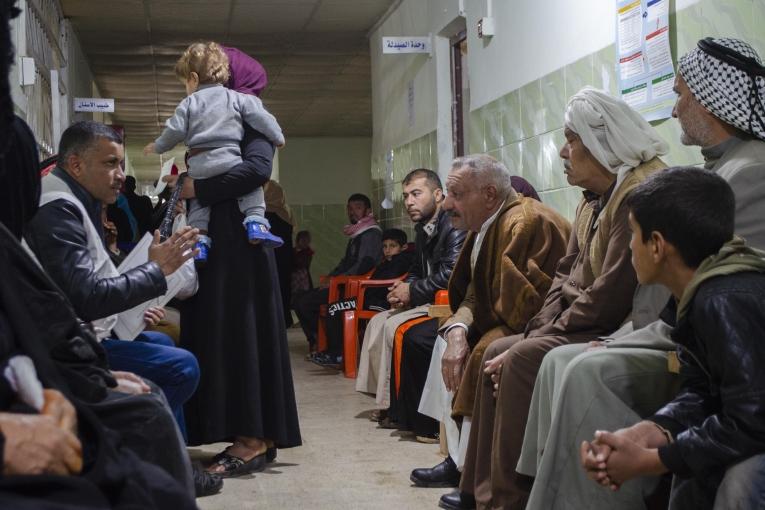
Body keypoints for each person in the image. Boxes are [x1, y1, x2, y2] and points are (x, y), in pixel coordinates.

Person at [521, 37, 765, 510]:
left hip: (721, 355)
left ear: (712, 101)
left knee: (587, 369)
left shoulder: (749, 175)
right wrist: (655, 429)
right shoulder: (722, 170)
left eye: (681, 96)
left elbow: (712, 314)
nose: (674, 111)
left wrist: (657, 455)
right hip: (697, 347)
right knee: (561, 359)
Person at [443, 88, 669, 510]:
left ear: (600, 141)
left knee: (522, 357)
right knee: (501, 347)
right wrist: (539, 328)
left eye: (572, 140)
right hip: (580, 319)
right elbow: (564, 276)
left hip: (615, 324)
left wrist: (539, 337)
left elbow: (611, 294)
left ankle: (513, 497)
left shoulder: (636, 193)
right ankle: (479, 490)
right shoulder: (593, 200)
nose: (564, 152)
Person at [580, 167, 765, 510]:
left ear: (657, 246)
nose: (630, 246)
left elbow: (751, 421)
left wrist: (650, 461)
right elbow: (702, 393)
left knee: (741, 480)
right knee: (690, 468)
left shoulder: (723, 298)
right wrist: (642, 434)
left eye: (634, 234)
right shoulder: (699, 291)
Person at [169, 46, 302, 477]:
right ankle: (252, 436)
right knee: (222, 335)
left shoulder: (247, 114)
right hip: (221, 245)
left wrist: (198, 192)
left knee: (240, 336)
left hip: (240, 249)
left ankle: (251, 440)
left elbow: (258, 170)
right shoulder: (216, 116)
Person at [24, 122, 200, 439]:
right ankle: (135, 455)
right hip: (59, 349)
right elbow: (86, 298)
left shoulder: (73, 201)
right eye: (110, 164)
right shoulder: (56, 210)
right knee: (181, 367)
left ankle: (173, 459)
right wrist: (155, 271)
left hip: (79, 334)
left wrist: (136, 308)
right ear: (76, 165)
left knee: (161, 342)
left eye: (120, 164)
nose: (121, 175)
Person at [410, 155, 571, 494]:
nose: (448, 204)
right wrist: (457, 329)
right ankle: (460, 461)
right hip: (510, 318)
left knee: (485, 349)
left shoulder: (523, 223)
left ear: (488, 194)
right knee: (446, 340)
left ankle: (477, 476)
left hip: (539, 324)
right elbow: (474, 293)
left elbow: (525, 309)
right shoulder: (486, 224)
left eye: (456, 194)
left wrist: (470, 330)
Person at [144, 41, 286, 260]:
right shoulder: (241, 104)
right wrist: (279, 137)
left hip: (235, 244)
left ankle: (200, 238)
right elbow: (266, 120)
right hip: (229, 235)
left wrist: (195, 187)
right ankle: (256, 221)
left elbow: (257, 170)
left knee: (201, 205)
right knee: (249, 196)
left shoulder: (192, 105)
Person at [355, 168, 465, 422]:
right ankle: (386, 400)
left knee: (394, 326)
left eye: (416, 193)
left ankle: (395, 407)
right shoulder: (423, 228)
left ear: (438, 195)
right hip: (427, 297)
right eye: (405, 196)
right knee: (377, 321)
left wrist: (412, 290)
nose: (409, 202)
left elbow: (451, 274)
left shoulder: (452, 224)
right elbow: (417, 270)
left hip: (446, 302)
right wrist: (403, 291)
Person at [294, 193, 383, 352]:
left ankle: (324, 342)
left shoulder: (371, 234)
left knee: (305, 303)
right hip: (342, 284)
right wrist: (330, 277)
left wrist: (336, 280)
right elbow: (345, 262)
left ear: (368, 211)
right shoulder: (357, 234)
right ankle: (320, 341)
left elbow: (363, 266)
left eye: (358, 207)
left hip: (356, 289)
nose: (352, 212)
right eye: (349, 208)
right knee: (299, 299)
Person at [315, 228, 415, 367]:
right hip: (369, 299)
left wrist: (364, 289)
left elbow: (387, 283)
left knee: (335, 308)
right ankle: (337, 352)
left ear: (403, 247)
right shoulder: (386, 262)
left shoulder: (401, 261)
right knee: (334, 308)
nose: (387, 250)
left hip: (382, 303)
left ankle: (337, 354)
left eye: (392, 246)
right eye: (385, 246)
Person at [264, 180, 296, 327]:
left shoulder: (265, 214)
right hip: (285, 259)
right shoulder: (286, 212)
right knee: (283, 287)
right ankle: (284, 319)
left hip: (270, 259)